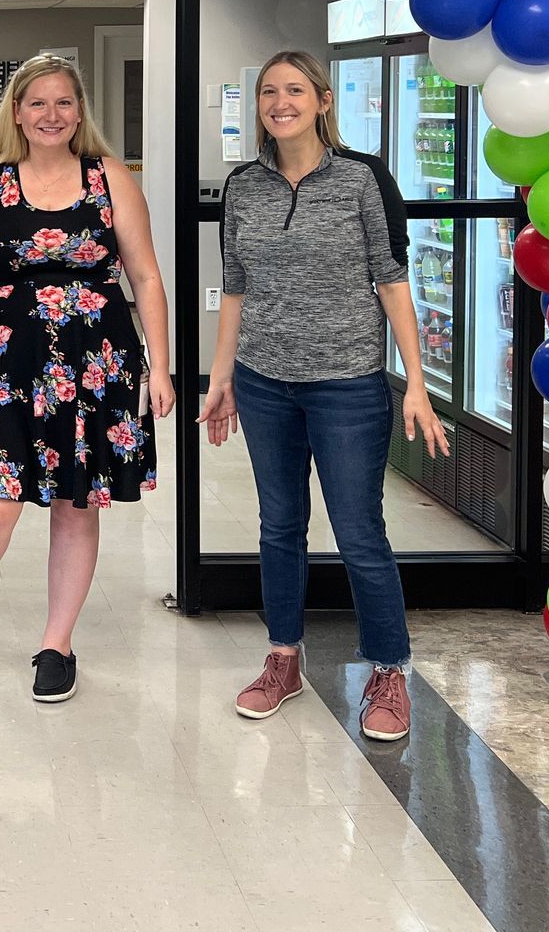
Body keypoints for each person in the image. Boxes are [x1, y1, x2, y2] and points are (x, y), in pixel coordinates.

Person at [199, 49, 450, 743]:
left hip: (346, 383)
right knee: (279, 526)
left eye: (295, 90)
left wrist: (417, 385)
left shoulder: (361, 178)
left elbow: (392, 281)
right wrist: (221, 380)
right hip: (264, 381)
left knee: (358, 531)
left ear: (323, 101)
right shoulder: (243, 186)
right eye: (269, 92)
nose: (281, 102)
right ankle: (283, 658)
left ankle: (389, 669)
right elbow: (236, 288)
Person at [0, 55, 173, 703]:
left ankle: (56, 645)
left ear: (79, 112)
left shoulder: (111, 180)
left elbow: (145, 275)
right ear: (17, 112)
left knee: (74, 505)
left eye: (64, 103)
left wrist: (161, 364)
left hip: (97, 367)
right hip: (3, 363)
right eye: (38, 103)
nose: (51, 115)